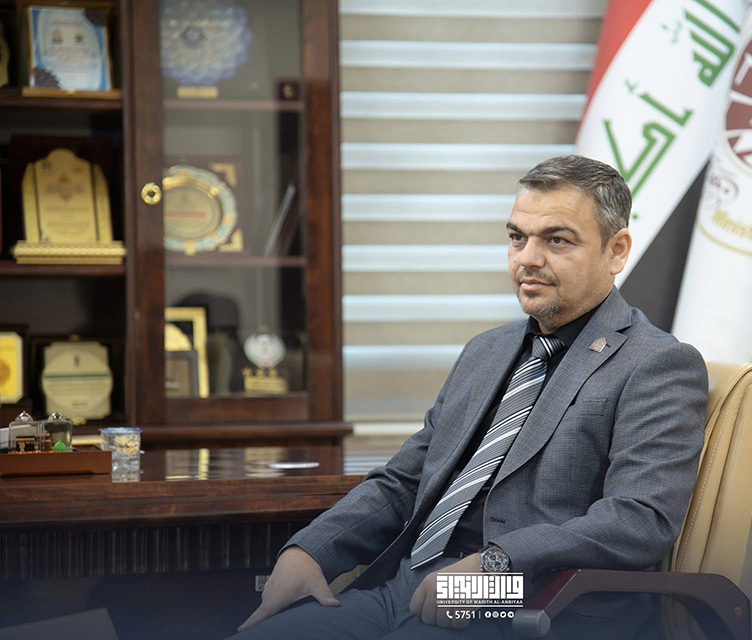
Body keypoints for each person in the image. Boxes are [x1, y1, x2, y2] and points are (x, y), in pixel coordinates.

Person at [229, 155, 709, 640]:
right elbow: (405, 481)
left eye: (556, 240)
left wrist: (495, 564)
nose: (527, 259)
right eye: (517, 237)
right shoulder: (487, 350)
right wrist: (310, 550)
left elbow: (639, 519)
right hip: (405, 589)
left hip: (530, 600)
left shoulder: (657, 363)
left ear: (616, 251)